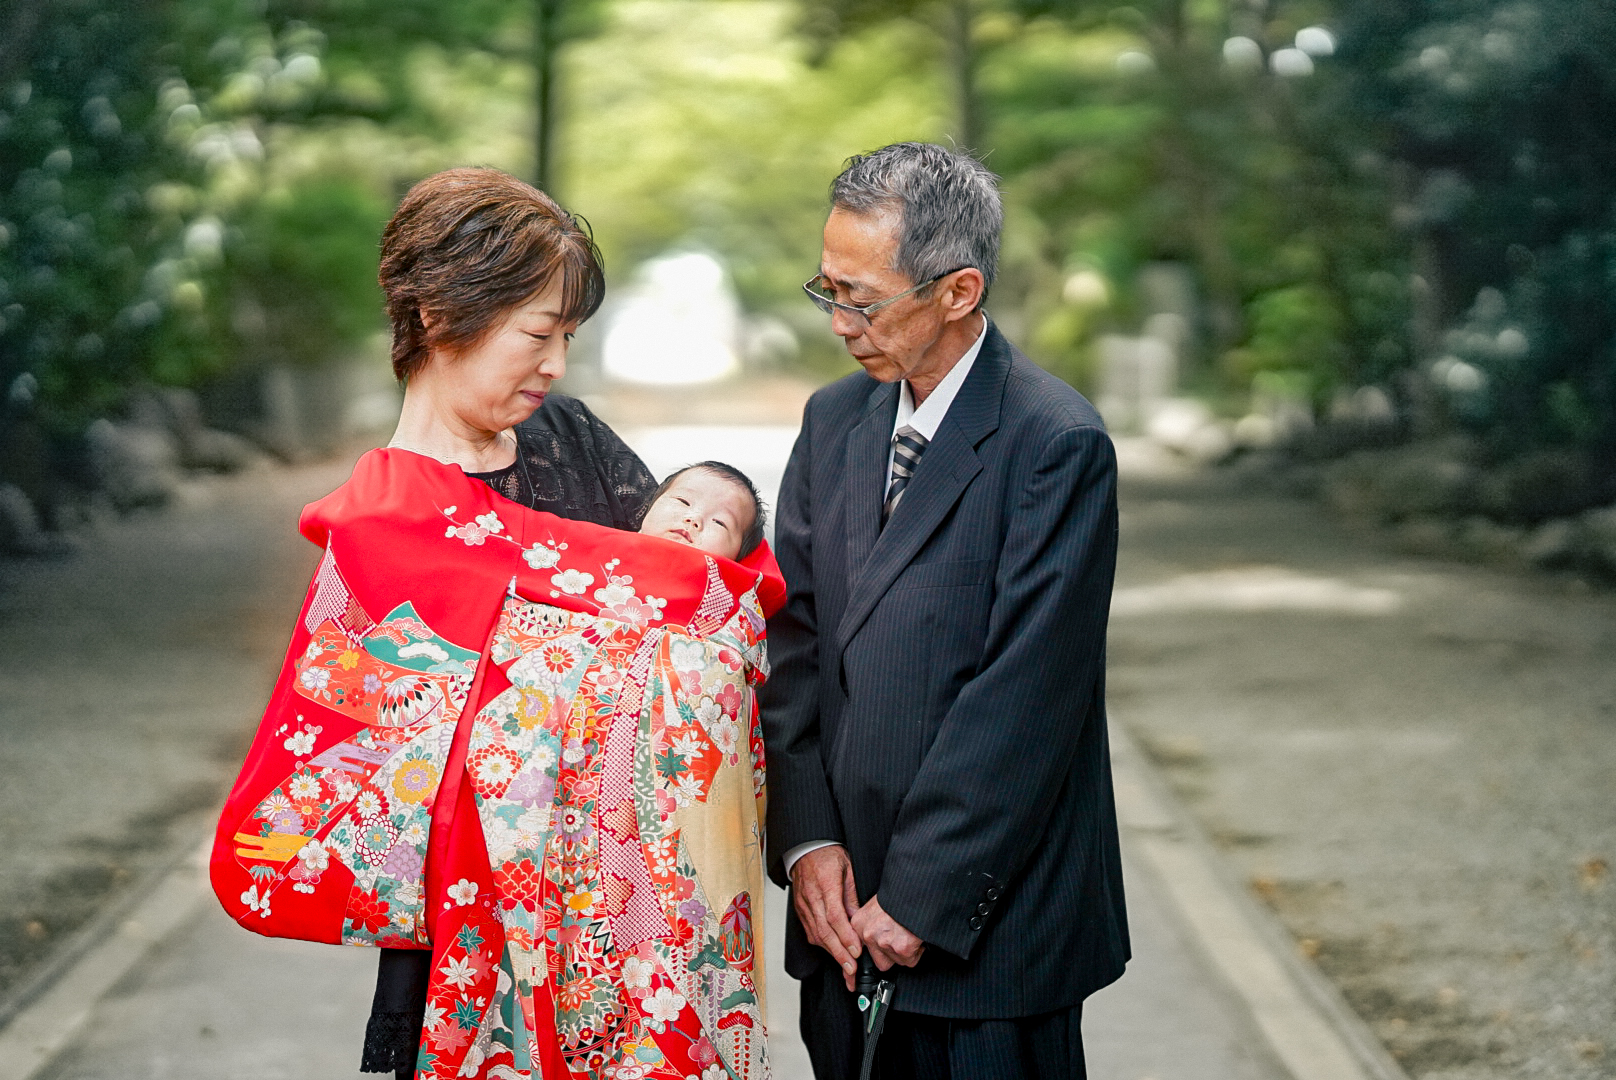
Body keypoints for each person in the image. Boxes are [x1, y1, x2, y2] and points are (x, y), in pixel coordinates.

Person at [209, 167, 784, 1080]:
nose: (555, 364)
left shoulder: (576, 441)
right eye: (537, 334)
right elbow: (359, 757)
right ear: (440, 315)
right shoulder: (379, 523)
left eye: (567, 336)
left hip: (631, 939)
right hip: (468, 952)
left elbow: (711, 606)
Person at [760, 142, 1130, 1079]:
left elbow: (1028, 695)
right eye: (827, 287)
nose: (839, 320)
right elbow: (791, 643)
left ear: (958, 291)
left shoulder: (1055, 442)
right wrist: (808, 842)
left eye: (864, 298)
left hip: (990, 925)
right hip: (840, 915)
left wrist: (922, 897)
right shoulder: (833, 420)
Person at [639, 461, 766, 561]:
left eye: (719, 522)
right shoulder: (618, 547)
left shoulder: (726, 593)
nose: (694, 518)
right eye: (683, 501)